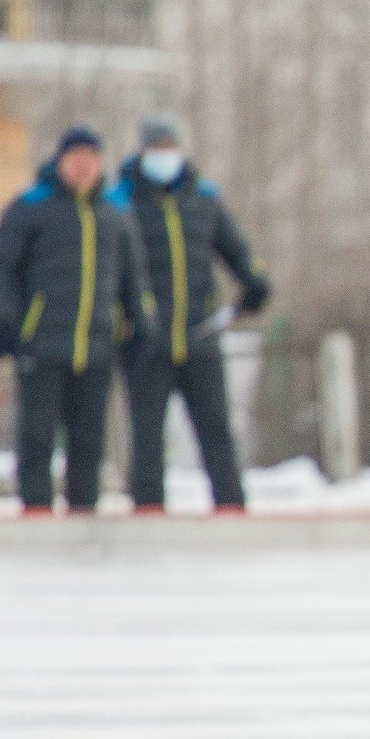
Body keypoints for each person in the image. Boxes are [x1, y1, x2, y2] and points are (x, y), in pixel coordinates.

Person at [0, 127, 151, 515]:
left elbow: (132, 279)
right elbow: (0, 267)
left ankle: (83, 514)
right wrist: (3, 320)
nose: (83, 166)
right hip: (41, 344)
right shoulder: (30, 209)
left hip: (97, 346)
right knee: (37, 437)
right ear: (60, 162)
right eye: (76, 158)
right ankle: (36, 511)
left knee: (89, 439)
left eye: (91, 159)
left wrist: (141, 323)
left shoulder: (114, 215)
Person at [108, 117, 269, 514]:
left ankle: (231, 509)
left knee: (216, 431)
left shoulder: (203, 199)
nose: (164, 157)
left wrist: (254, 283)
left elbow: (236, 251)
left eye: (169, 148)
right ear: (142, 152)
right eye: (156, 149)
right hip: (145, 340)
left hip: (200, 336)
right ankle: (148, 513)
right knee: (146, 436)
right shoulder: (121, 202)